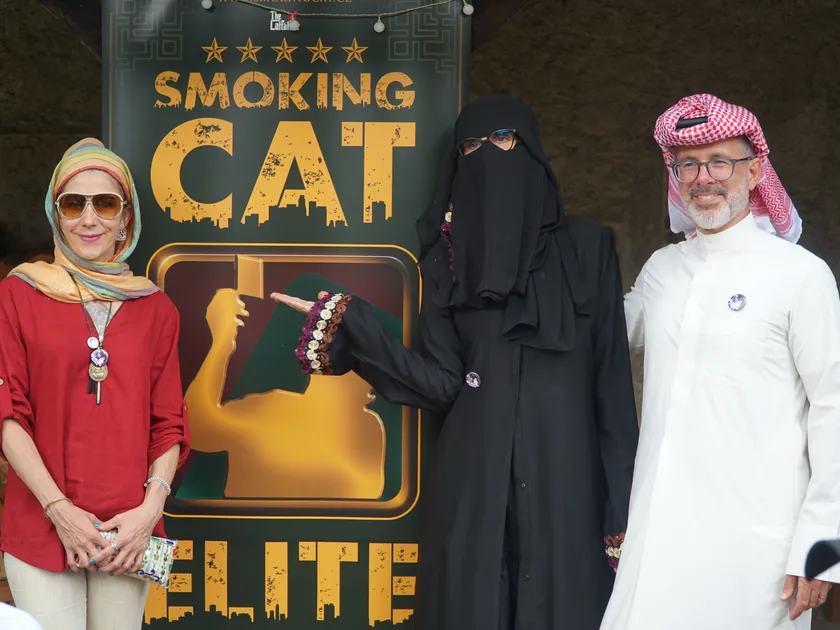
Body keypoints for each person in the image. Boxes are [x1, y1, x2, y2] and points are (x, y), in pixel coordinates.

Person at [272, 94, 640, 630]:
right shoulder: (446, 262)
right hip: (475, 483)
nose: (487, 155)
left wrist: (621, 508)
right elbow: (443, 383)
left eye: (503, 140)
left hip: (567, 481)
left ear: (532, 152)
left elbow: (611, 386)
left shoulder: (587, 249)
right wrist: (351, 324)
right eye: (471, 146)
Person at [600, 94, 840, 630]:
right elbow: (598, 339)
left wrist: (823, 550)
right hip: (658, 539)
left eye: (719, 162)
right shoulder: (662, 270)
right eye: (688, 164)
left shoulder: (800, 274)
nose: (703, 178)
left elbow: (834, 409)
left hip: (757, 552)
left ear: (754, 171)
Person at [0, 138, 191, 630]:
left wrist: (148, 514)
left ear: (126, 217)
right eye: (73, 204)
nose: (89, 219)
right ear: (56, 214)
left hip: (128, 528)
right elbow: (7, 413)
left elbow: (169, 424)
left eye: (105, 203)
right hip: (42, 519)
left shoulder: (157, 308)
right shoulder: (17, 294)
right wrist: (59, 511)